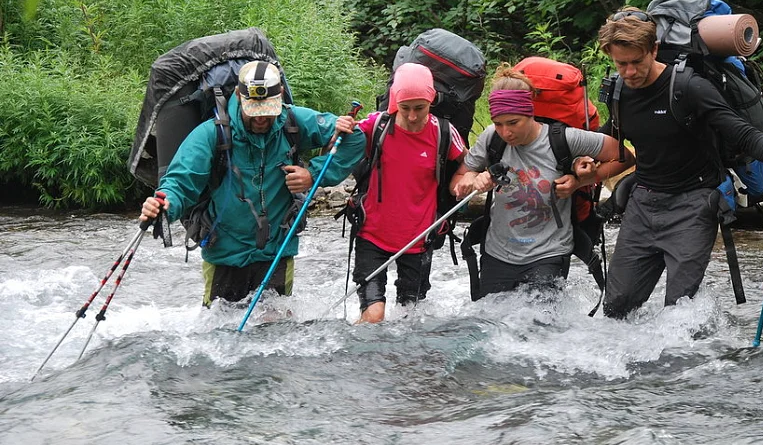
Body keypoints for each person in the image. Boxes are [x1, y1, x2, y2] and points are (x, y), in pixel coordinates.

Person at [593, 8, 763, 318]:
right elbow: (611, 135)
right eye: (620, 64)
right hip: (643, 205)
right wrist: (577, 159)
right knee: (616, 309)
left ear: (654, 50)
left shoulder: (689, 88)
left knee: (678, 313)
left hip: (694, 207)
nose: (629, 72)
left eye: (636, 63)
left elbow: (740, 132)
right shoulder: (618, 91)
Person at [140, 60, 366, 306]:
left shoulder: (292, 121)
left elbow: (353, 139)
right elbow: (181, 181)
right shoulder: (211, 134)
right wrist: (164, 204)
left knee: (276, 332)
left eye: (268, 110)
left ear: (280, 95)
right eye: (254, 110)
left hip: (277, 252)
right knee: (220, 335)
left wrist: (313, 174)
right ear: (238, 95)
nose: (261, 119)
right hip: (224, 256)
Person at [450, 64, 632, 298]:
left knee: (539, 327)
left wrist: (580, 182)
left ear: (530, 113)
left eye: (513, 123)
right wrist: (471, 180)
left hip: (549, 253)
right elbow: (458, 181)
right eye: (499, 123)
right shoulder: (491, 138)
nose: (505, 132)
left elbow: (624, 157)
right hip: (498, 253)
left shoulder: (564, 139)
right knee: (494, 326)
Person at [334, 62, 467, 323]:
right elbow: (339, 148)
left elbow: (468, 162)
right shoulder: (376, 125)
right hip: (372, 235)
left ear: (431, 101)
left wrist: (464, 180)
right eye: (405, 108)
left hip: (419, 240)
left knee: (409, 320)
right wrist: (338, 131)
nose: (413, 115)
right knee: (374, 316)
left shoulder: (443, 132)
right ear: (395, 101)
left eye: (420, 108)